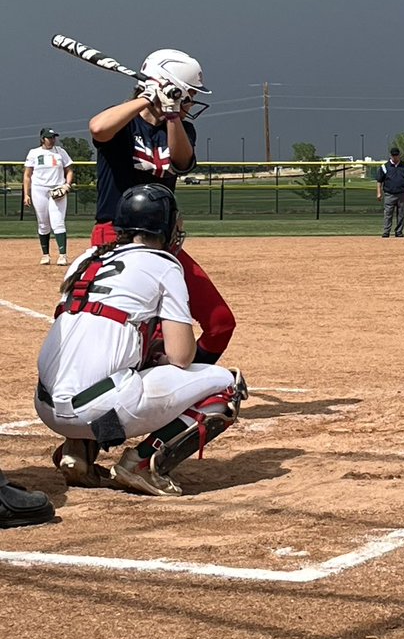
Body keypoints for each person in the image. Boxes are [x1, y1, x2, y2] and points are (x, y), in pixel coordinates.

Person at [34, 184, 247, 497]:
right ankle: (142, 463)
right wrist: (160, 357)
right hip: (95, 410)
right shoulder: (164, 265)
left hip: (46, 406)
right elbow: (182, 356)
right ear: (164, 227)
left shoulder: (88, 257)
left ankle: (77, 451)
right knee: (228, 385)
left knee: (113, 358)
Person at [89, 48, 235, 364]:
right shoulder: (123, 123)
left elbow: (182, 161)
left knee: (220, 322)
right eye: (189, 95)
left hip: (161, 239)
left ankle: (182, 384)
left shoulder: (181, 128)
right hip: (116, 236)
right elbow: (98, 129)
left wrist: (170, 115)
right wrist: (147, 97)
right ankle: (146, 396)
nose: (191, 103)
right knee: (148, 333)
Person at [23, 128, 74, 266]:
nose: (52, 140)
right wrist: (26, 194)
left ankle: (62, 255)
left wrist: (67, 185)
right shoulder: (34, 153)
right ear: (42, 139)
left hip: (57, 189)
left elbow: (69, 170)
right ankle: (45, 255)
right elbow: (27, 175)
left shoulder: (60, 152)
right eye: (49, 137)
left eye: (53, 137)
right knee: (43, 223)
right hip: (39, 190)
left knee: (58, 222)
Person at [376, 148, 404, 238]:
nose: (395, 157)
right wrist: (379, 192)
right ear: (391, 155)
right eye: (393, 155)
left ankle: (399, 231)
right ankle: (386, 231)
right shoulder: (385, 167)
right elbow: (379, 181)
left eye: (396, 155)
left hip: (402, 193)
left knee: (401, 213)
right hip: (389, 194)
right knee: (388, 213)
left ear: (399, 155)